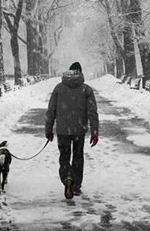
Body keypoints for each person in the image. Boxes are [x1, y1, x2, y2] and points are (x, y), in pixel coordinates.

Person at [45, 61, 99, 199]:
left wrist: (48, 128)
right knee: (78, 157)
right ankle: (76, 186)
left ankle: (67, 177)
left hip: (63, 130)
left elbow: (51, 110)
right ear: (80, 73)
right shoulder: (86, 89)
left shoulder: (58, 88)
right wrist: (94, 131)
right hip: (79, 130)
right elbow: (92, 112)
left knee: (64, 157)